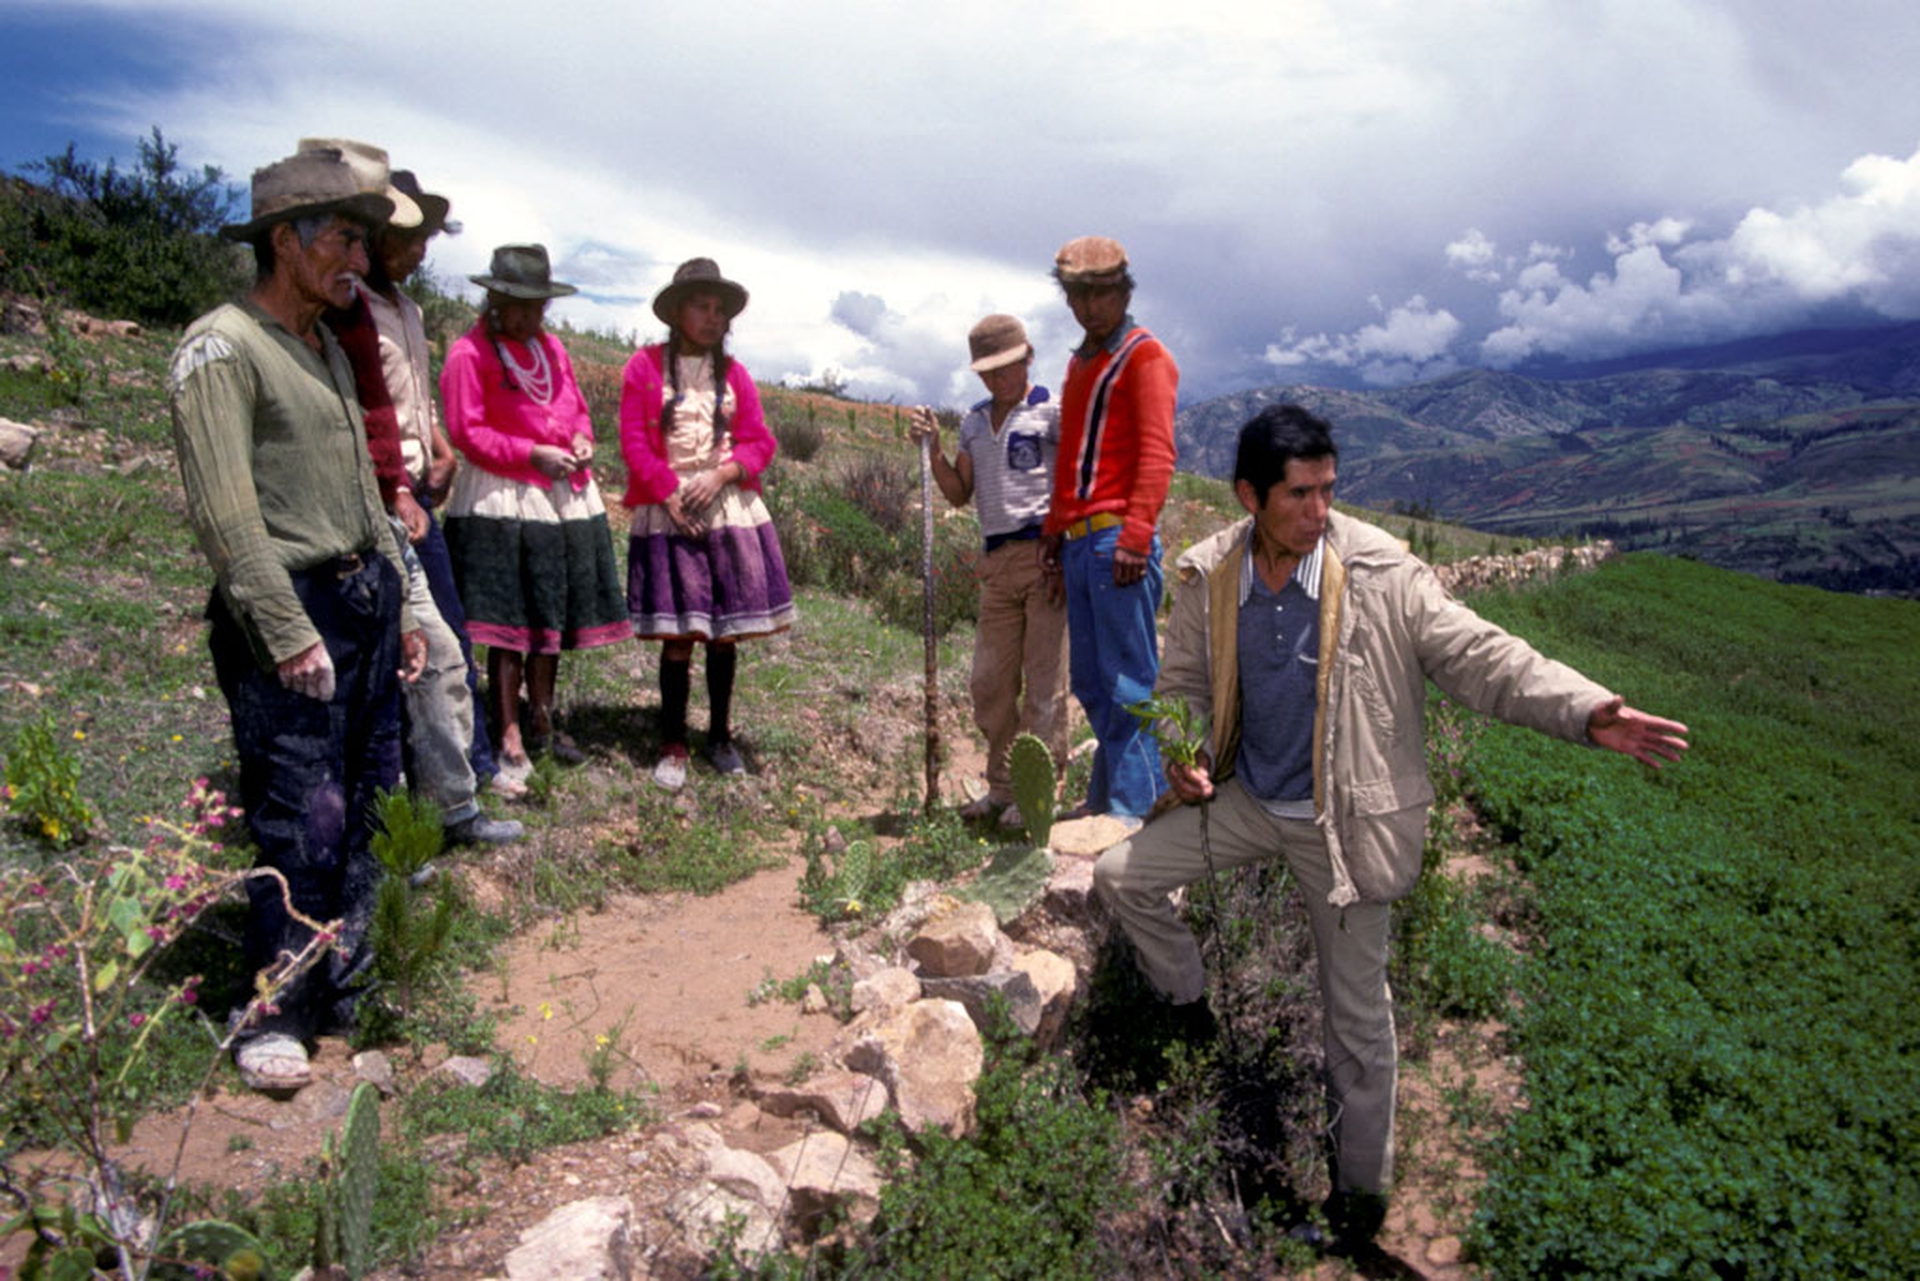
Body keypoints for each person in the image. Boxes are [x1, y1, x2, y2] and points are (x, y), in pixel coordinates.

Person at [1093, 404, 1690, 1249]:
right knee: (1121, 878)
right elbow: (1184, 679)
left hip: (1344, 826)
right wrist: (1185, 747)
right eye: (1299, 494)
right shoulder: (1209, 574)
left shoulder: (1384, 574)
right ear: (1249, 496)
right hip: (1248, 801)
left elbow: (1482, 657)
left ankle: (1357, 1206)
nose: (1319, 510)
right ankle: (1192, 1014)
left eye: (1329, 489)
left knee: (1356, 1024)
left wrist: (1585, 710)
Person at [168, 147, 427, 1092]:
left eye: (365, 237)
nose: (360, 254)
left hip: (361, 599)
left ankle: (342, 985)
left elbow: (361, 483)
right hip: (292, 604)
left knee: (362, 804)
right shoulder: (220, 348)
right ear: (286, 241)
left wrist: (400, 600)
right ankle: (273, 1008)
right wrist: (286, 630)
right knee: (297, 812)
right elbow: (226, 513)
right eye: (345, 236)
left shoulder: (321, 345)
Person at [307, 140, 524, 849]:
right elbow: (361, 407)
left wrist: (437, 447)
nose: (420, 251)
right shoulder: (346, 308)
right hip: (373, 494)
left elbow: (411, 398)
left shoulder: (407, 311)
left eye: (427, 238)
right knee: (405, 650)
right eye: (409, 237)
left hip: (412, 488)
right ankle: (406, 809)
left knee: (446, 639)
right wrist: (395, 482)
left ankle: (459, 791)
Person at [440, 244, 632, 776]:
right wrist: (530, 453)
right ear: (496, 300)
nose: (528, 317)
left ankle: (542, 720)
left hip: (559, 499)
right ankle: (507, 733)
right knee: (509, 622)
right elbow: (467, 431)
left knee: (547, 617)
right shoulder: (469, 355)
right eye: (518, 306)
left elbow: (576, 410)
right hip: (501, 499)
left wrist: (581, 441)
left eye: (536, 307)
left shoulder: (552, 351)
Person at [620, 257, 795, 791]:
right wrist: (670, 495)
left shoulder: (735, 375)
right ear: (676, 311)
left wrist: (724, 474)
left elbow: (759, 441)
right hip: (668, 507)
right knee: (680, 634)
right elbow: (633, 442)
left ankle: (719, 736)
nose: (712, 318)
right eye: (702, 306)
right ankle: (672, 742)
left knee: (724, 634)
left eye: (720, 310)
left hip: (726, 512)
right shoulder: (644, 369)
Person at [1041, 235, 1179, 830]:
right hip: (1080, 541)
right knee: (1093, 679)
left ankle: (1137, 810)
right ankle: (1107, 798)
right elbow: (1072, 454)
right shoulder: (1082, 363)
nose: (1087, 307)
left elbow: (1157, 453)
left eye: (1099, 294)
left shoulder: (1146, 357)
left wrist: (1138, 534)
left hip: (1118, 537)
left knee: (1128, 679)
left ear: (1123, 291)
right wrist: (1053, 533)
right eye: (1077, 296)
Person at [908, 314, 1069, 828]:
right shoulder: (975, 422)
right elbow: (959, 493)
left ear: (1027, 358)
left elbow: (1074, 481)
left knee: (1044, 685)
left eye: (1006, 368)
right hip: (996, 563)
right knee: (990, 683)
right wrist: (933, 450)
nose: (997, 381)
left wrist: (1063, 541)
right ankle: (1001, 787)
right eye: (987, 373)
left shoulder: (1051, 413)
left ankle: (1040, 792)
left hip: (1045, 559)